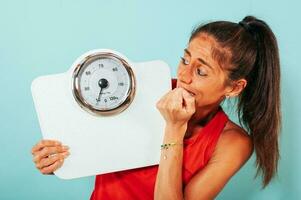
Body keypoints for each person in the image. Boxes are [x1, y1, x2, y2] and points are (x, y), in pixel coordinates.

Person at [31, 16, 281, 199]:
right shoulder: (141, 88)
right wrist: (58, 160)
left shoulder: (232, 143)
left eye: (201, 71)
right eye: (184, 59)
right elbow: (95, 147)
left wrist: (174, 128)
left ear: (235, 88)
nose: (184, 75)